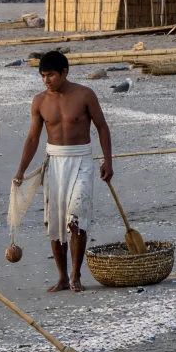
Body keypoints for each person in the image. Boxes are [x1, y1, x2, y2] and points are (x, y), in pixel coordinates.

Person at [13, 50, 114, 292]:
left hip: (81, 160)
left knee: (76, 216)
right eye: (43, 76)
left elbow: (102, 127)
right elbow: (33, 138)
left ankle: (75, 275)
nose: (46, 80)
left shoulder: (85, 95)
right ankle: (61, 277)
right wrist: (20, 170)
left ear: (64, 73)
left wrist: (108, 161)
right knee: (56, 221)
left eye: (51, 75)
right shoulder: (39, 101)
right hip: (54, 162)